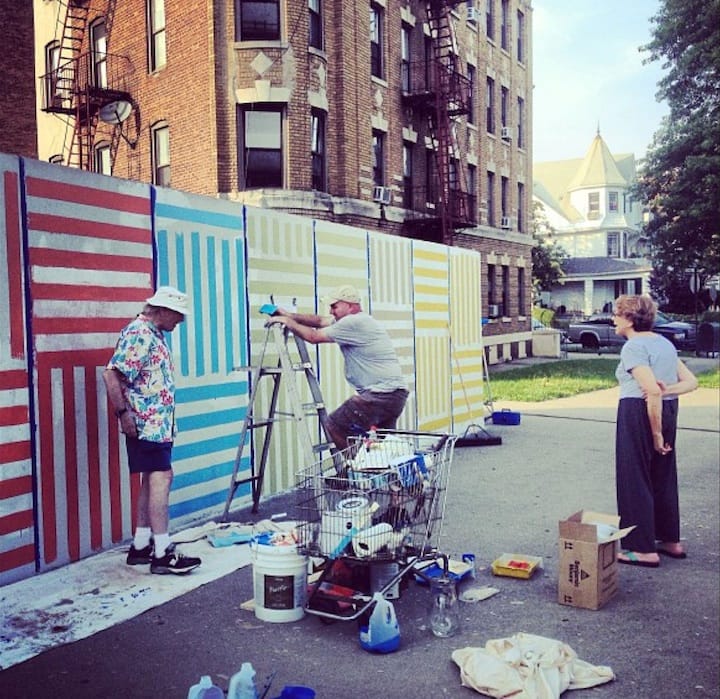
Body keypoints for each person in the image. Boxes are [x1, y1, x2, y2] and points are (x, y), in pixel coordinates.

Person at [103, 286, 201, 575]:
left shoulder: (152, 333)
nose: (180, 321)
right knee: (162, 479)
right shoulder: (140, 333)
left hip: (156, 424)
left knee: (152, 479)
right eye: (178, 315)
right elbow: (112, 374)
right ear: (162, 310)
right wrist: (123, 415)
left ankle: (141, 545)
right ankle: (162, 552)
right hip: (146, 424)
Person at [612, 294, 698, 567]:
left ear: (628, 318)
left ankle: (641, 549)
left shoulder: (633, 347)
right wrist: (667, 391)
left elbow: (649, 390)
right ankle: (669, 540)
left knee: (634, 476)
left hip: (639, 411)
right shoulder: (664, 344)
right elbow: (691, 382)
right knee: (662, 474)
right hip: (668, 409)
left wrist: (656, 432)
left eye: (617, 313)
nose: (614, 318)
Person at [271, 284, 408, 451]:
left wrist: (286, 322)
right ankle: (384, 472)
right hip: (394, 395)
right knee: (384, 448)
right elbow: (320, 321)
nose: (331, 311)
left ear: (349, 305)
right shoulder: (359, 319)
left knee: (335, 425)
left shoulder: (353, 322)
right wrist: (289, 315)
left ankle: (356, 467)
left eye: (334, 306)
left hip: (381, 395)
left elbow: (314, 336)